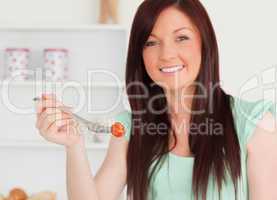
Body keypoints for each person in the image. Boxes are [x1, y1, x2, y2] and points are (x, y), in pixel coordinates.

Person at [35, 0, 277, 199]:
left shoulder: (255, 123)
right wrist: (74, 145)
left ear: (205, 44)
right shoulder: (131, 129)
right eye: (151, 42)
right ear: (140, 55)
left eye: (181, 38)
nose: (167, 54)